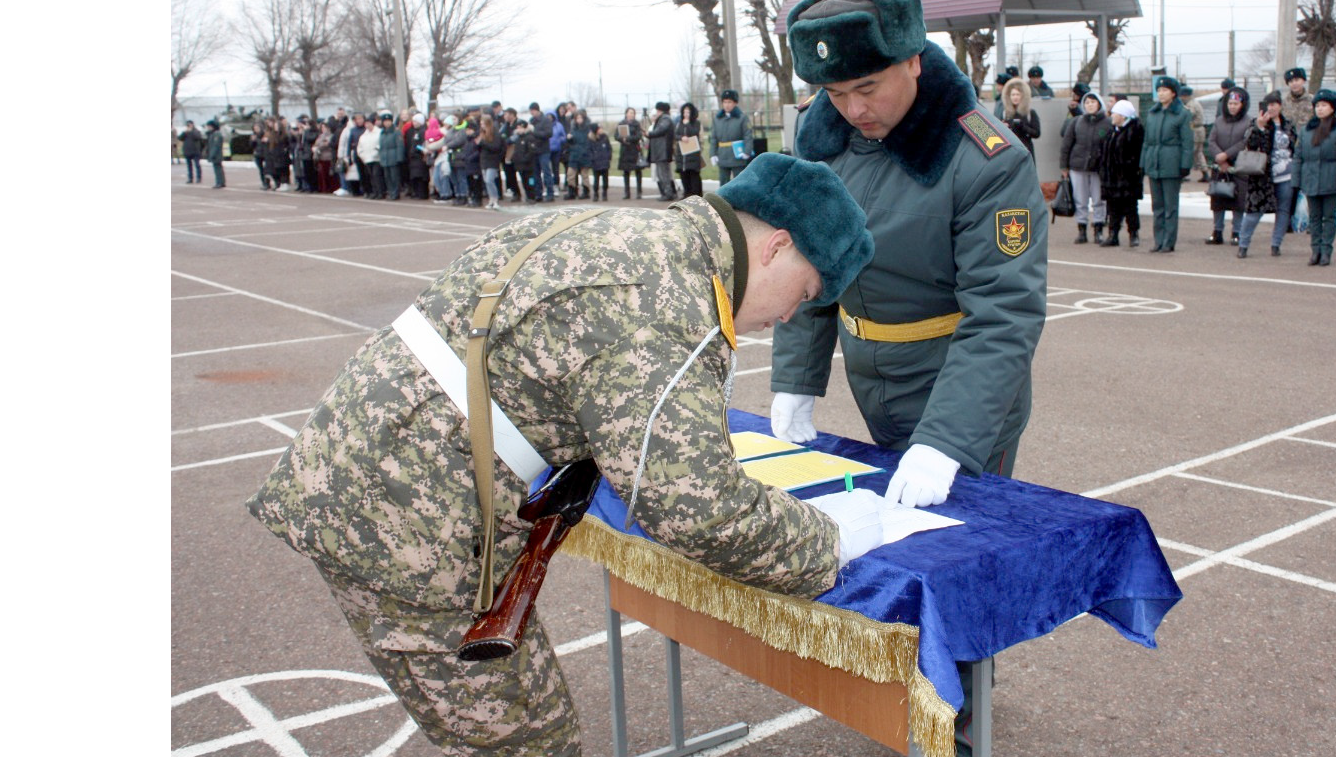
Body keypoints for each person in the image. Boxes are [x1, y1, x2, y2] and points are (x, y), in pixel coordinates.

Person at [247, 153, 878, 756]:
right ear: (776, 247)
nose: (794, 314)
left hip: (386, 478)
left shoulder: (630, 232)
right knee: (524, 742)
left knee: (530, 729)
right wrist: (828, 542)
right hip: (403, 524)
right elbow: (698, 509)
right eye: (806, 290)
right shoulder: (669, 299)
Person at [773, 0, 1047, 754]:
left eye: (866, 86)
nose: (851, 109)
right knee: (892, 539)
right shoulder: (820, 137)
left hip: (958, 380)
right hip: (873, 373)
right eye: (832, 89)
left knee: (952, 552)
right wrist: (796, 380)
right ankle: (921, 679)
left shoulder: (984, 156)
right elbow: (810, 263)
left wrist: (948, 438)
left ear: (914, 63)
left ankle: (956, 716)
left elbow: (1003, 316)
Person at [1237, 91, 1300, 258]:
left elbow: (1294, 148)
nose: (1271, 108)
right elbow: (1250, 145)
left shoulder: (1288, 125)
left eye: (1274, 104)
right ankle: (1243, 244)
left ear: (1280, 105)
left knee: (1284, 210)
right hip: (1262, 176)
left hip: (1286, 175)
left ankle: (1276, 244)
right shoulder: (1256, 123)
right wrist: (1259, 126)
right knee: (1254, 212)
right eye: (1268, 105)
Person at [1139, 75, 1194, 253]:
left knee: (1170, 206)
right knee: (1158, 206)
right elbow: (1147, 142)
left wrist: (1185, 165)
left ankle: (1169, 241)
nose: (1161, 94)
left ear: (1173, 93)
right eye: (1159, 90)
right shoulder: (1153, 113)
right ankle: (1158, 240)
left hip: (1171, 164)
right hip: (1154, 163)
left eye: (1165, 90)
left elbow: (1187, 143)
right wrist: (1143, 163)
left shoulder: (1182, 114)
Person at [1293, 89, 1336, 266]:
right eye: (1318, 106)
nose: (1320, 109)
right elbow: (1298, 156)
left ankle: (1326, 251)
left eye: (1324, 105)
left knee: (1328, 217)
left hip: (1331, 180)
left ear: (1333, 108)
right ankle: (1315, 250)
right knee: (1314, 217)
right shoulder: (1307, 130)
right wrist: (1297, 180)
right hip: (1310, 179)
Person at [1059, 90, 1110, 244]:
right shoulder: (1076, 122)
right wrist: (1064, 166)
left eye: (1093, 102)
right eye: (1087, 102)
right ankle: (1082, 229)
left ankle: (1098, 229)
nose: (1090, 105)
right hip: (1077, 166)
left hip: (1098, 168)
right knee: (1080, 200)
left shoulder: (1107, 123)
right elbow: (1066, 145)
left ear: (1099, 104)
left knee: (1099, 199)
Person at [1206, 85, 1252, 246]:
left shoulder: (1248, 122)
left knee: (1238, 201)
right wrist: (1219, 156)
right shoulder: (1219, 120)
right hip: (1219, 166)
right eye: (1230, 103)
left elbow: (1244, 142)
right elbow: (1211, 141)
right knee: (1218, 198)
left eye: (1236, 104)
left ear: (1243, 105)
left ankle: (1237, 232)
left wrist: (1227, 155)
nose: (1232, 106)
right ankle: (1217, 231)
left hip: (1238, 167)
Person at [1098, 99, 1144, 248]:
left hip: (1128, 177)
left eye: (1115, 113)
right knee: (1113, 207)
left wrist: (1130, 168)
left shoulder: (1135, 130)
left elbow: (1136, 155)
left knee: (1130, 206)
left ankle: (1133, 234)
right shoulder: (1112, 131)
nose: (1111, 116)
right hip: (1111, 177)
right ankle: (1113, 235)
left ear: (1123, 116)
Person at [710, 89, 753, 185]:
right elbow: (713, 138)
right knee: (723, 183)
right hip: (722, 156)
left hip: (737, 156)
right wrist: (713, 154)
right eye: (724, 102)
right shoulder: (717, 119)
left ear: (735, 103)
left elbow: (748, 136)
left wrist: (747, 152)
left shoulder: (742, 118)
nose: (727, 105)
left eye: (729, 102)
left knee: (738, 183)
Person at [998, 76, 1041, 157]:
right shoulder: (1005, 113)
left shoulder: (1030, 113)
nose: (1015, 97)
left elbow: (1037, 133)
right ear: (1009, 96)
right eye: (1013, 95)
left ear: (1022, 96)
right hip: (1011, 151)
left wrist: (1023, 127)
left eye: (1018, 94)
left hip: (1026, 150)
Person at [647, 102, 678, 201]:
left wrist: (649, 133)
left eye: (658, 110)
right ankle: (668, 193)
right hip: (661, 152)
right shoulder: (664, 119)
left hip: (662, 152)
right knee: (663, 173)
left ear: (660, 110)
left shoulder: (665, 119)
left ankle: (668, 194)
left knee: (663, 173)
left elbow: (660, 130)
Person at [527, 103, 556, 201]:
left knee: (546, 171)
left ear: (537, 110)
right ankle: (538, 194)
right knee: (535, 173)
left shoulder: (545, 120)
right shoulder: (531, 121)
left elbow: (549, 133)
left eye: (532, 111)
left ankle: (550, 193)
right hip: (534, 150)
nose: (531, 113)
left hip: (544, 150)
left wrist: (534, 131)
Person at [1181, 85, 1210, 182]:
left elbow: (1188, 115)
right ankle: (1204, 173)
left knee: (1193, 153)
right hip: (1198, 130)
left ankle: (1185, 173)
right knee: (1198, 153)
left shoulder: (1191, 104)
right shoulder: (1193, 102)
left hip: (1196, 131)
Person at [675, 102, 704, 198]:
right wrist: (681, 137)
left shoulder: (696, 123)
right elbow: (675, 135)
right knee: (684, 175)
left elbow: (695, 133)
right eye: (684, 112)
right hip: (681, 154)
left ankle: (696, 195)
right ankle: (687, 193)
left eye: (688, 112)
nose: (686, 114)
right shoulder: (679, 123)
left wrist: (687, 124)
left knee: (694, 175)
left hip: (692, 153)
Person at [616, 107, 646, 199]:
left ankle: (639, 192)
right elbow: (616, 136)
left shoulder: (637, 124)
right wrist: (622, 139)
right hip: (625, 150)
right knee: (626, 172)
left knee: (638, 171)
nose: (631, 114)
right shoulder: (621, 124)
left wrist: (628, 138)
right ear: (626, 114)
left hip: (635, 150)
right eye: (630, 112)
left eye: (633, 113)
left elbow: (638, 136)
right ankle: (627, 192)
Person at [509, 119, 541, 204]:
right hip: (520, 166)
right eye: (518, 128)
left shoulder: (530, 137)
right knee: (524, 182)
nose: (518, 129)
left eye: (520, 127)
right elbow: (516, 151)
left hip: (529, 166)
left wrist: (524, 159)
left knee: (530, 181)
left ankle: (532, 196)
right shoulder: (518, 139)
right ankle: (527, 196)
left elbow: (532, 151)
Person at [564, 109, 594, 199]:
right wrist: (569, 139)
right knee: (570, 174)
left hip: (584, 154)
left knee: (584, 175)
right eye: (577, 118)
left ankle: (586, 192)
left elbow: (589, 142)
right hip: (574, 154)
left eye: (580, 118)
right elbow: (571, 142)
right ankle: (572, 191)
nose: (579, 120)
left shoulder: (588, 129)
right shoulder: (573, 129)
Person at [378, 113, 405, 201]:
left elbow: (400, 145)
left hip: (393, 157)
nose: (387, 123)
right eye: (385, 121)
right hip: (385, 158)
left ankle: (395, 193)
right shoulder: (382, 133)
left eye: (388, 121)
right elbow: (381, 147)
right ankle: (390, 191)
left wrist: (399, 157)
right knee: (387, 177)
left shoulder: (396, 132)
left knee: (394, 177)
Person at [358, 115, 383, 200]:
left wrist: (376, 152)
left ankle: (380, 192)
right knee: (371, 176)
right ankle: (375, 192)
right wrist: (362, 156)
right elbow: (360, 148)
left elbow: (380, 144)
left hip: (377, 159)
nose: (367, 125)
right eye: (366, 124)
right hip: (367, 159)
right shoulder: (363, 135)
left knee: (377, 175)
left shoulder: (379, 132)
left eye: (369, 123)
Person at [588, 123, 612, 201]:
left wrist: (608, 157)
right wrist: (593, 159)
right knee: (596, 180)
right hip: (596, 163)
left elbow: (609, 148)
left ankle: (604, 193)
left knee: (605, 180)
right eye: (599, 128)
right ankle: (596, 194)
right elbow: (589, 151)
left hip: (605, 162)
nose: (601, 129)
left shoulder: (605, 137)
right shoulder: (591, 140)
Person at [204, 120, 225, 188]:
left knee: (218, 169)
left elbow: (216, 145)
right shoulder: (213, 134)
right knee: (218, 169)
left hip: (217, 154)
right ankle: (220, 182)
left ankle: (220, 182)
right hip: (216, 154)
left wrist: (212, 154)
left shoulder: (216, 134)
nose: (208, 128)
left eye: (209, 126)